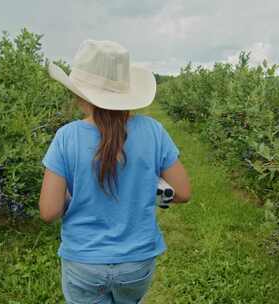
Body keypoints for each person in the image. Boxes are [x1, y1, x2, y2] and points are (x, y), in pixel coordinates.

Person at [39, 39, 191, 304]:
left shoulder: (67, 137)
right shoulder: (153, 131)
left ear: (79, 94)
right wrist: (145, 189)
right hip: (137, 262)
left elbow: (49, 211)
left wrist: (75, 195)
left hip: (84, 262)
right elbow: (183, 193)